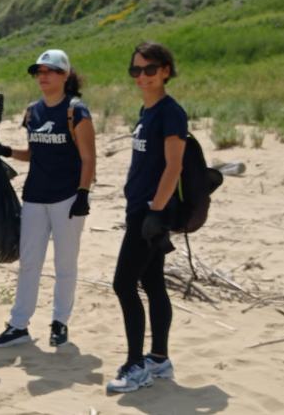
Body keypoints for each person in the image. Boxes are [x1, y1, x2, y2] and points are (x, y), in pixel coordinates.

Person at [0, 49, 96, 348]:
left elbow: (88, 158)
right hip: (34, 196)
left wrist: (83, 194)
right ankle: (19, 325)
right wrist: (6, 151)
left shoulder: (76, 111)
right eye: (39, 71)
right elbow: (34, 153)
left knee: (65, 263)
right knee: (29, 262)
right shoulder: (32, 111)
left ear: (64, 75)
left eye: (49, 71)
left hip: (67, 197)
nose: (43, 76)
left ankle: (60, 323)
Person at [106, 41, 186, 393]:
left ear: (165, 70)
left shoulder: (171, 112)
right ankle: (159, 359)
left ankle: (135, 365)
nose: (142, 76)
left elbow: (174, 167)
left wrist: (155, 212)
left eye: (149, 69)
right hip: (140, 209)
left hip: (150, 212)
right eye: (136, 70)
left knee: (123, 284)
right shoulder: (147, 111)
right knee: (152, 284)